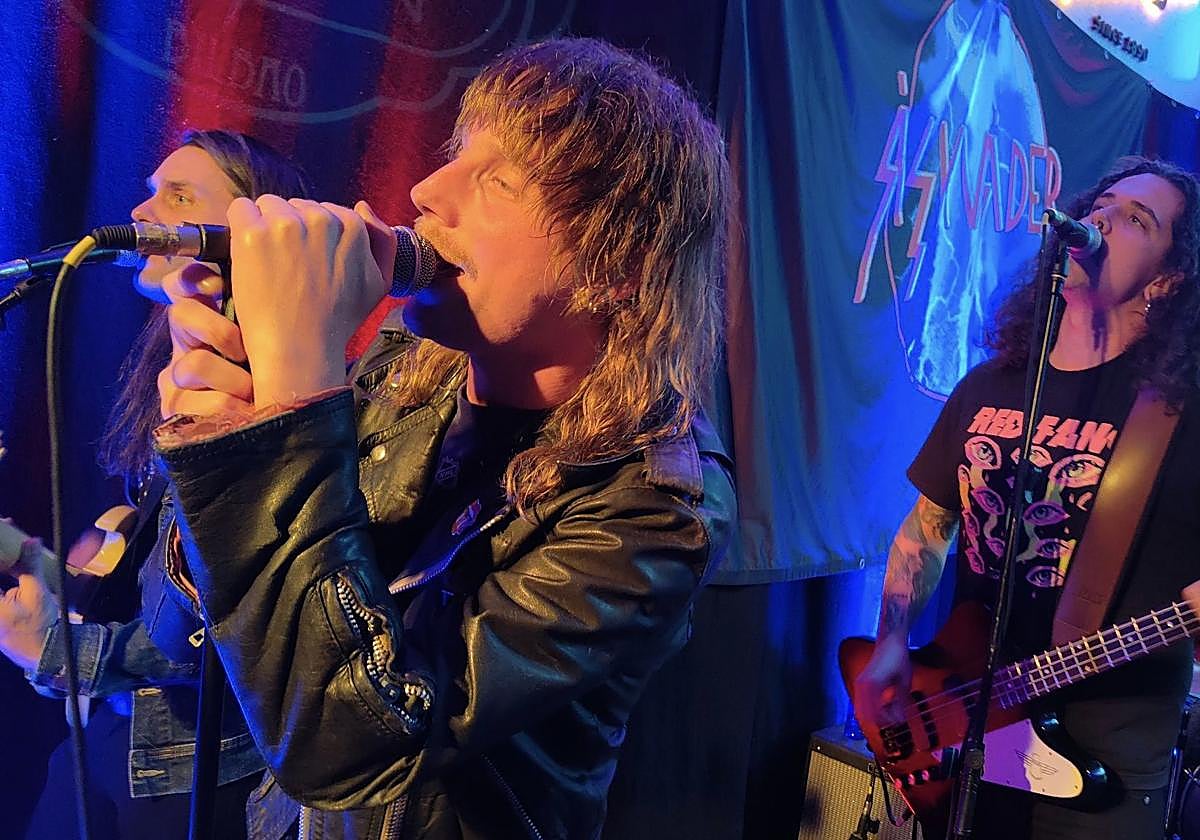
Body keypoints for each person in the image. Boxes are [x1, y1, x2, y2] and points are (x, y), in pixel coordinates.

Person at [151, 37, 735, 839]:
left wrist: (295, 406)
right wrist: (232, 438)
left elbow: (349, 746)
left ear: (616, 265)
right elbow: (185, 638)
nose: (427, 191)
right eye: (458, 154)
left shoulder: (655, 505)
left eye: (499, 180)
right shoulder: (399, 374)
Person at [853, 156, 1200, 839]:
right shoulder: (988, 386)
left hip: (1105, 771)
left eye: (1137, 219)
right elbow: (927, 529)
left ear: (1167, 281)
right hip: (971, 740)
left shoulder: (1182, 418)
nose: (1103, 219)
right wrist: (892, 640)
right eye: (1102, 204)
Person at [0, 129, 312, 840]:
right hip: (122, 740)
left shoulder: (272, 393)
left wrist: (64, 654)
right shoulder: (168, 374)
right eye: (151, 193)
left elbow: (227, 624)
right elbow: (158, 593)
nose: (143, 213)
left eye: (179, 197)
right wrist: (28, 558)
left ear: (251, 226)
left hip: (191, 771)